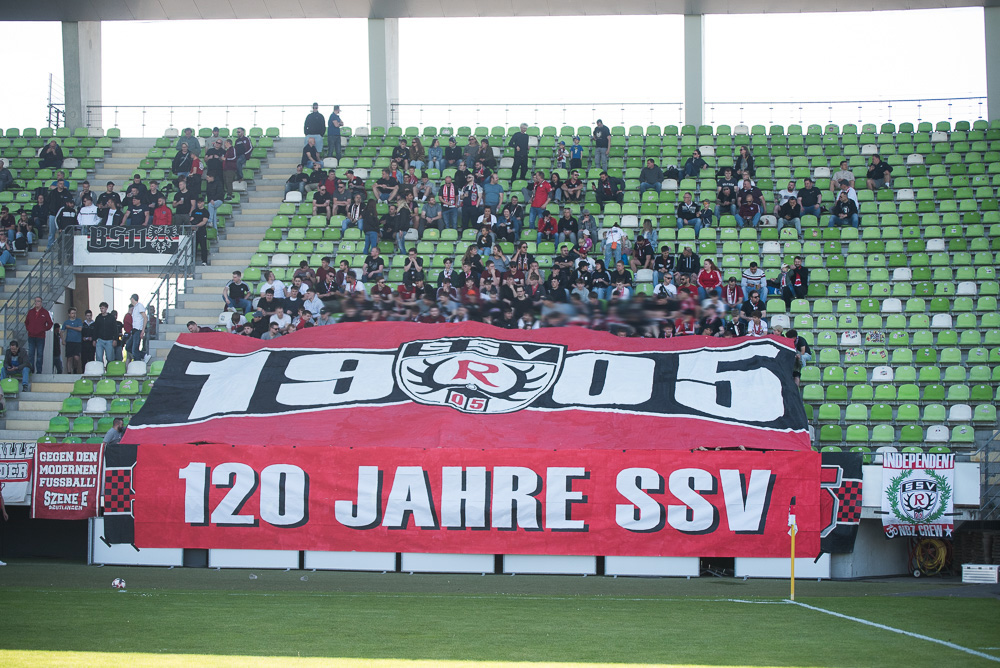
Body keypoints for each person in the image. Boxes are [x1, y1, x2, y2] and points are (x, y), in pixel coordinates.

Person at [25, 297, 52, 375]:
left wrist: (43, 329)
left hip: (40, 337)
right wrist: (29, 329)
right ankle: (31, 370)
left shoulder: (45, 312)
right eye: (36, 301)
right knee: (31, 354)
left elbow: (50, 323)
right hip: (31, 336)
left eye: (38, 301)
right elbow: (26, 322)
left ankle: (39, 371)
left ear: (41, 302)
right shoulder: (31, 312)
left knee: (40, 354)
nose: (37, 303)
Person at [62, 307, 83, 374]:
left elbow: (80, 329)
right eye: (72, 313)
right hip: (69, 341)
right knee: (69, 358)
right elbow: (61, 331)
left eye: (75, 313)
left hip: (77, 341)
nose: (74, 315)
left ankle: (75, 368)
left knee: (76, 358)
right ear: (69, 314)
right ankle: (69, 372)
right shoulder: (66, 322)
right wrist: (63, 340)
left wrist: (70, 327)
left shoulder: (78, 321)